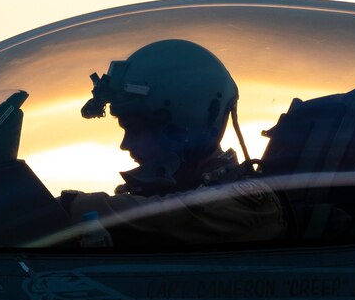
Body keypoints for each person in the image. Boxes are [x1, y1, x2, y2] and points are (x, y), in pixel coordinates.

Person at [58, 39, 285, 246]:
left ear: (186, 125)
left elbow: (175, 216)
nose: (125, 145)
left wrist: (72, 207)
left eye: (136, 130)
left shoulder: (249, 205)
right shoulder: (165, 194)